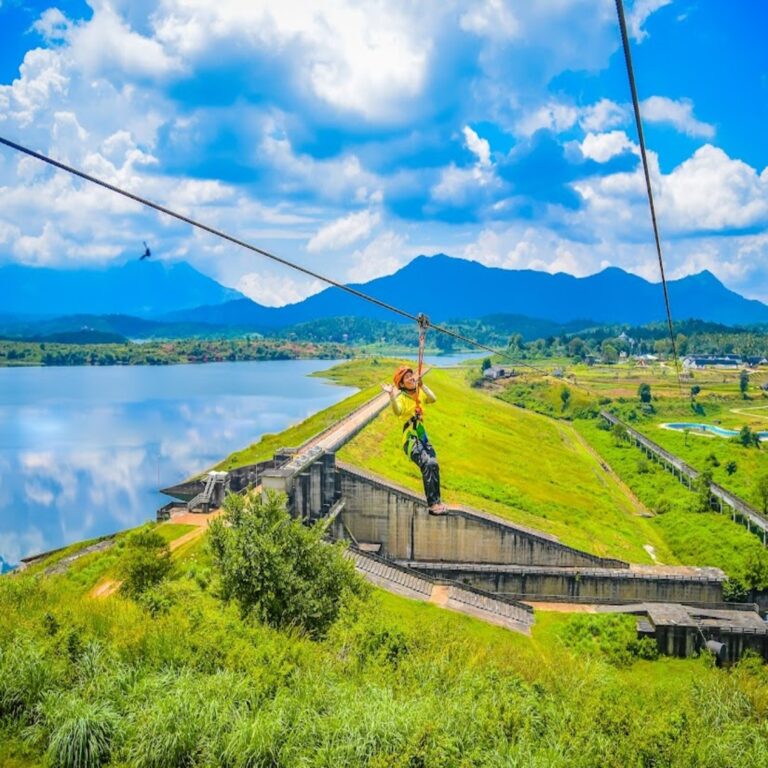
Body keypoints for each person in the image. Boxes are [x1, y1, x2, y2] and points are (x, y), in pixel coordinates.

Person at [382, 366, 446, 514]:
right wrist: (391, 395)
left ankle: (437, 501)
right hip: (411, 439)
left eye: (412, 376)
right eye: (407, 378)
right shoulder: (402, 399)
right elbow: (397, 410)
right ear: (402, 384)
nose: (411, 378)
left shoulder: (419, 394)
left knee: (434, 464)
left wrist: (422, 385)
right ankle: (432, 505)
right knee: (428, 463)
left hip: (422, 436)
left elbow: (433, 398)